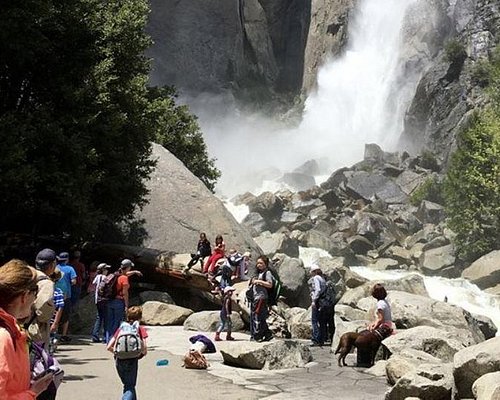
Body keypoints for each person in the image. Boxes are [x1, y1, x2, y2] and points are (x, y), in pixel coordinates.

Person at [0, 259, 54, 399]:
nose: (35, 299)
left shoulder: (12, 329)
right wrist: (33, 392)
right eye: (35, 293)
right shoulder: (4, 336)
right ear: (24, 296)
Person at [107, 306, 148, 400]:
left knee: (128, 385)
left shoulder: (122, 328)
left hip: (119, 360)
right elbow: (145, 349)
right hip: (132, 360)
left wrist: (117, 352)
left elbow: (109, 347)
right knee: (129, 386)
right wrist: (139, 353)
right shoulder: (140, 329)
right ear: (140, 318)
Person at [106, 259, 142, 343]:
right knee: (117, 322)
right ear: (128, 267)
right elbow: (125, 293)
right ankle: (114, 341)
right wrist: (126, 305)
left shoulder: (116, 274)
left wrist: (135, 272)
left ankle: (108, 340)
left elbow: (126, 273)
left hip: (110, 300)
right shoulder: (124, 279)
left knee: (110, 321)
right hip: (118, 301)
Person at [249, 255, 273, 342]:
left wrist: (259, 281)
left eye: (261, 263)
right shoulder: (258, 273)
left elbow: (270, 284)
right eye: (258, 263)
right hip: (256, 297)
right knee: (260, 316)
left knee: (257, 316)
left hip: (261, 297)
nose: (259, 265)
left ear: (265, 264)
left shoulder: (267, 273)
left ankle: (257, 335)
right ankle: (267, 334)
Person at [55, 252, 76, 343]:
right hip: (66, 295)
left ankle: (53, 334)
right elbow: (74, 281)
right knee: (66, 316)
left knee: (54, 314)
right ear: (67, 259)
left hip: (54, 294)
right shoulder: (70, 269)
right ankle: (64, 335)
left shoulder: (55, 268)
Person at [308, 264, 327, 346]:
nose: (311, 273)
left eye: (312, 272)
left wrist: (314, 300)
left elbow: (318, 289)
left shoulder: (316, 278)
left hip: (317, 301)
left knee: (314, 320)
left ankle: (315, 339)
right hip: (323, 301)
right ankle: (322, 339)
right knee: (321, 321)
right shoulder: (322, 278)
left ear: (314, 271)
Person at [91, 263, 110, 343]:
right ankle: (106, 336)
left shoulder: (97, 277)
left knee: (99, 317)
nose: (107, 271)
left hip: (97, 300)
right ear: (103, 270)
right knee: (106, 318)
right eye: (106, 269)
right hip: (104, 300)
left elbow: (93, 283)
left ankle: (95, 335)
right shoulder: (104, 277)